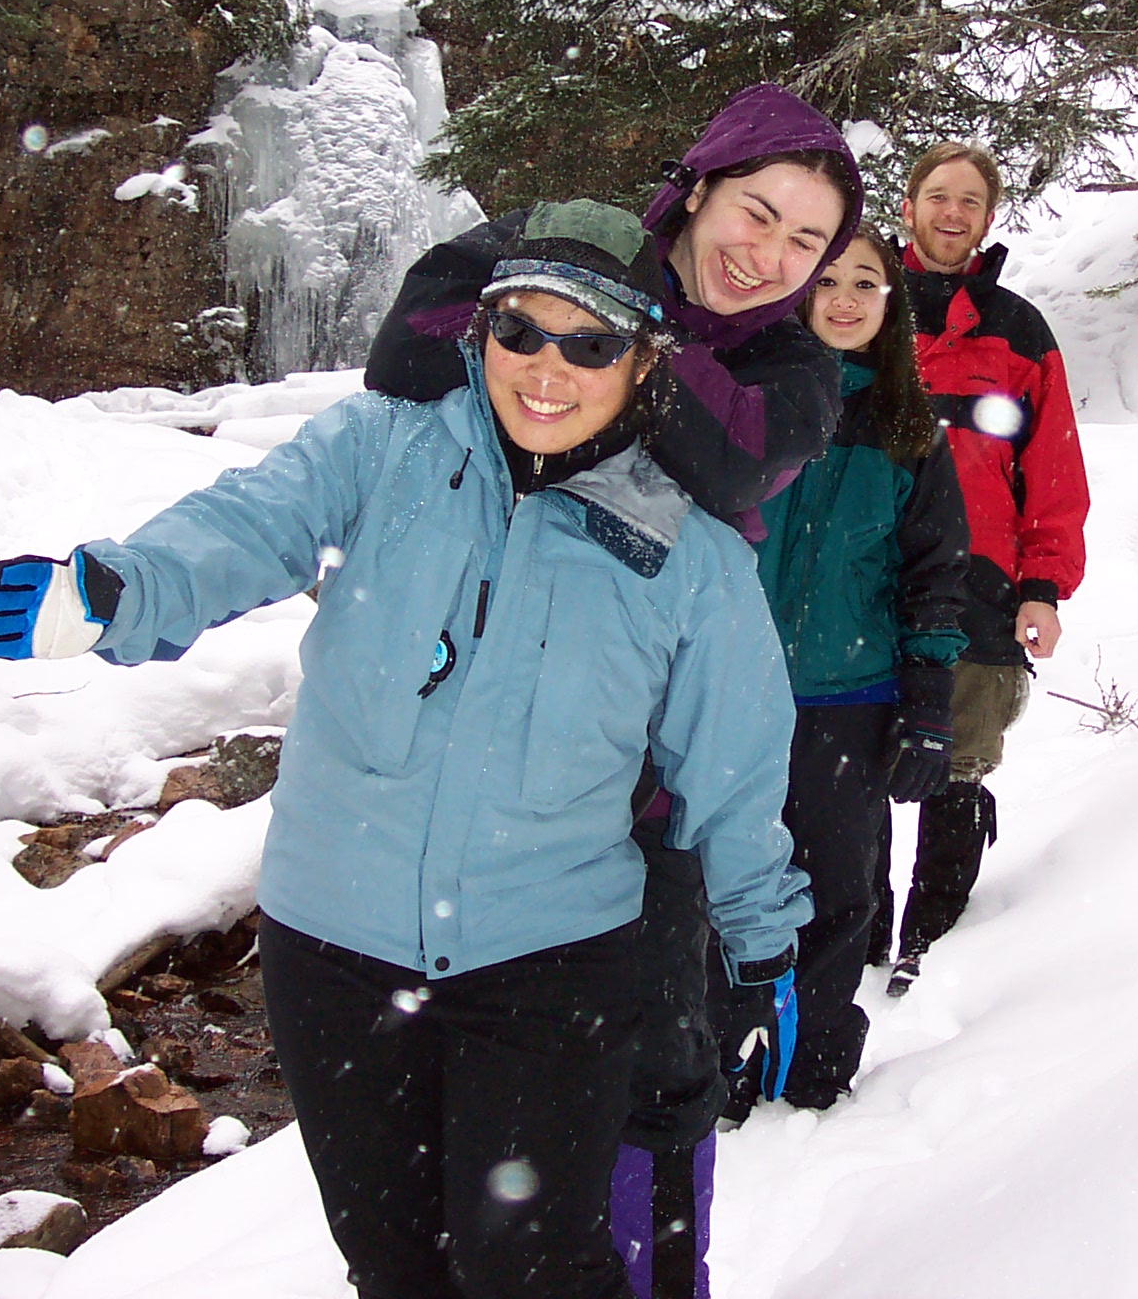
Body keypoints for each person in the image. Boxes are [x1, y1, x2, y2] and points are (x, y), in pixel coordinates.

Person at [0, 200, 811, 1299]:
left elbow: (734, 774)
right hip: (335, 951)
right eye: (521, 332)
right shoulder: (380, 449)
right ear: (480, 333)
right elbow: (249, 524)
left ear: (645, 359)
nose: (547, 369)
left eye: (590, 342)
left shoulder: (685, 556)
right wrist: (121, 589)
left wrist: (760, 942)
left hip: (552, 963)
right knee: (395, 1264)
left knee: (535, 1266)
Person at [366, 85, 864, 1299]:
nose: (773, 258)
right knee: (429, 1130)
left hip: (638, 800)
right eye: (758, 213)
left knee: (650, 1089)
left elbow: (736, 452)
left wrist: (584, 314)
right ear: (697, 185)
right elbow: (409, 350)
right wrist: (571, 289)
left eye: (808, 243)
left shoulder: (796, 363)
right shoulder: (559, 233)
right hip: (459, 771)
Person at [735, 230, 969, 1111]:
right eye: (826, 279)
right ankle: (724, 1061)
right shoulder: (747, 400)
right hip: (733, 696)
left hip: (851, 701)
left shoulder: (909, 431)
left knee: (836, 895)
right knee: (726, 886)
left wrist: (930, 708)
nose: (842, 298)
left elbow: (935, 577)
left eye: (864, 283)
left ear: (888, 302)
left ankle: (813, 1070)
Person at [872, 142, 1089, 997]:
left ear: (988, 219)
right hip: (869, 572)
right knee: (852, 759)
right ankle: (855, 933)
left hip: (982, 581)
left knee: (956, 762)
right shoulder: (859, 303)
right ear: (909, 209)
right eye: (937, 196)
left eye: (970, 200)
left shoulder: (1019, 330)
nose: (952, 212)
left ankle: (934, 934)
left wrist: (1043, 585)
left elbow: (1055, 469)